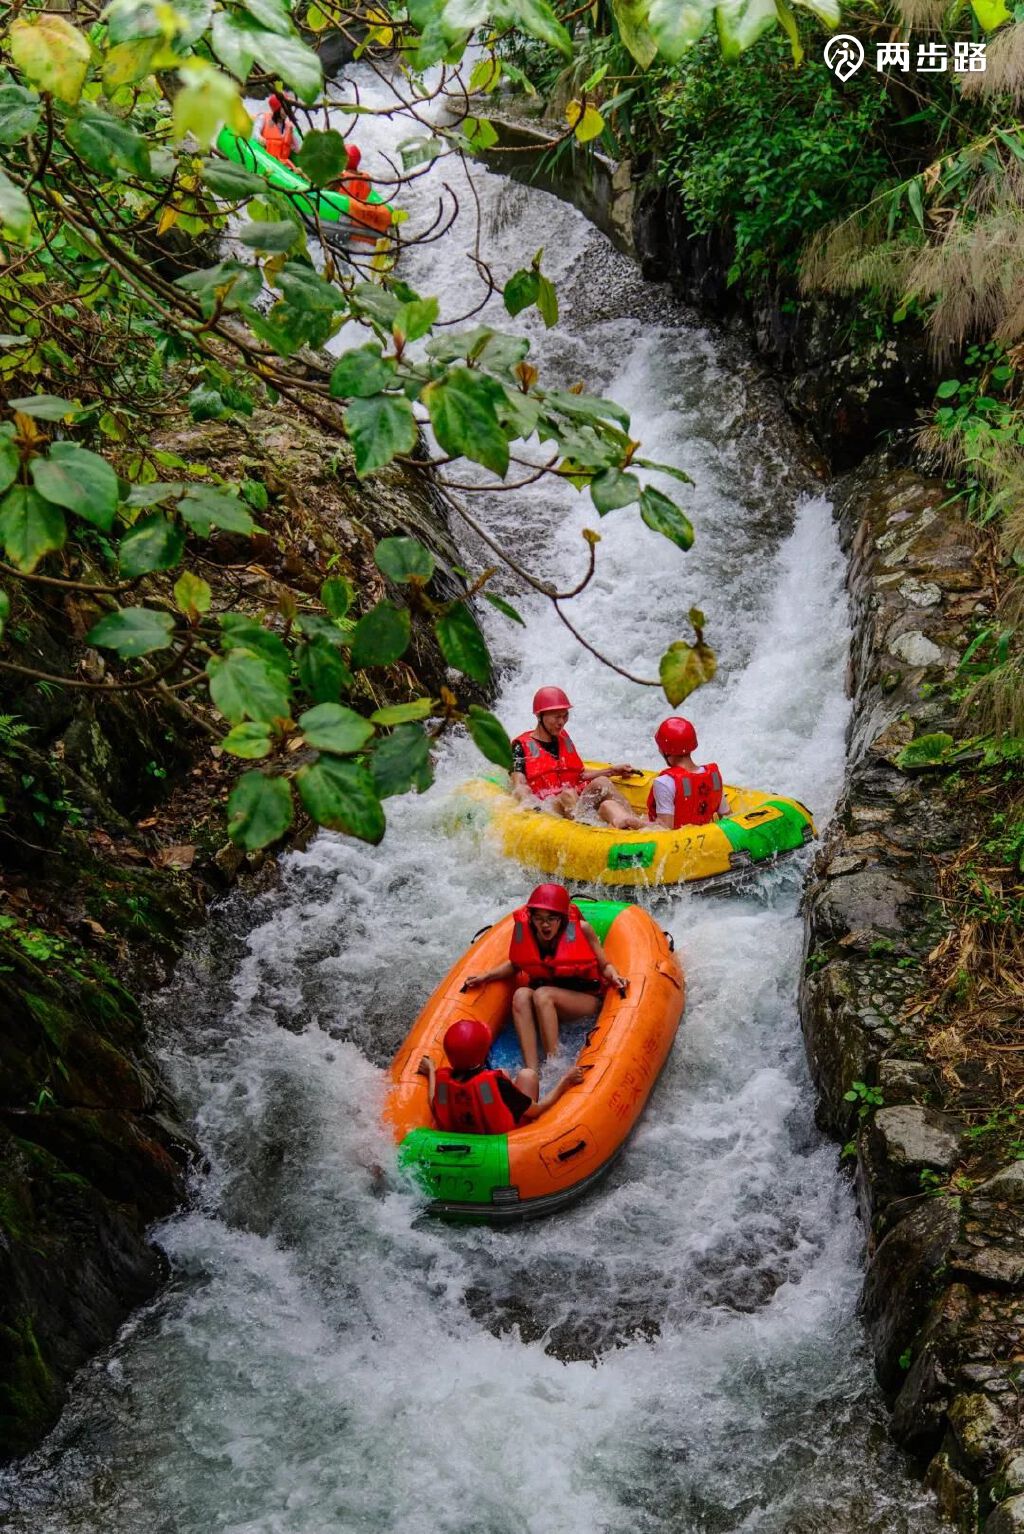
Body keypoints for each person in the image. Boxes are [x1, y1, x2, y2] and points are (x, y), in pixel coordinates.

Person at [461, 884, 626, 1073]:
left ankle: (552, 1065)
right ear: (531, 919)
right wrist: (486, 977)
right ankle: (531, 1069)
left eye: (550, 919)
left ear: (562, 919)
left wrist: (615, 976)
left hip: (584, 1001)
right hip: (548, 1002)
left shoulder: (582, 929)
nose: (545, 925)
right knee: (521, 995)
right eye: (539, 919)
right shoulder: (528, 933)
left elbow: (605, 966)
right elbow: (516, 965)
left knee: (542, 994)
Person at [510, 686, 645, 830]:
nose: (561, 722)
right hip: (548, 807)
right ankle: (586, 833)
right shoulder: (520, 746)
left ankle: (636, 824)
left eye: (565, 715)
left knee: (602, 782)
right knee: (568, 795)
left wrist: (611, 771)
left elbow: (578, 774)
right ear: (540, 716)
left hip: (576, 802)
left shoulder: (563, 738)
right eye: (557, 717)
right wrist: (530, 808)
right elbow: (520, 786)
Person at [418, 1018, 584, 1133]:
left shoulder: (445, 1082)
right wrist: (565, 1080)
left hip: (469, 1131)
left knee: (505, 1073)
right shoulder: (497, 1085)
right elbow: (537, 1110)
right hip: (504, 1138)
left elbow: (435, 1104)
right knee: (528, 1075)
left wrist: (431, 1072)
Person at [647, 716, 732, 828]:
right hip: (708, 839)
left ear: (665, 750)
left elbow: (664, 829)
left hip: (679, 843)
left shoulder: (664, 782)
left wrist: (635, 822)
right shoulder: (713, 777)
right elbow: (728, 817)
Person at [256, 94, 300, 166]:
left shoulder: (290, 127)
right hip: (265, 159)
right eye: (284, 108)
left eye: (288, 108)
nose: (287, 111)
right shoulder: (263, 118)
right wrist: (259, 138)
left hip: (283, 164)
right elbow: (255, 133)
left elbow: (298, 149)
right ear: (276, 109)